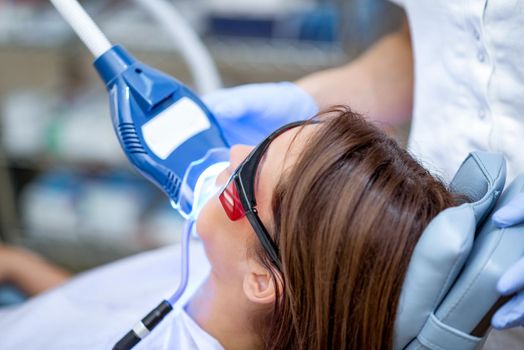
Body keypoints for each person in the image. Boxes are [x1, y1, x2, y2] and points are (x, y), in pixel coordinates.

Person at [0, 108, 458, 349]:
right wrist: (21, 265)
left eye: (249, 173)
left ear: (264, 280)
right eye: (264, 141)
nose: (234, 151)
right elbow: (104, 314)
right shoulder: (218, 267)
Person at [203, 1, 524, 330]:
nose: (234, 154)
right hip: (411, 238)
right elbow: (432, 45)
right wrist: (308, 98)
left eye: (242, 184)